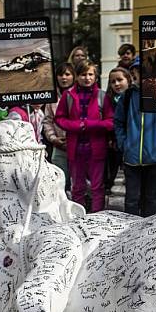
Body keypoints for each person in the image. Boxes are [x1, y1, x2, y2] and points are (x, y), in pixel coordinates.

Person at [115, 56, 156, 217]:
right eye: (139, 71)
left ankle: (150, 234)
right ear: (134, 73)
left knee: (153, 199)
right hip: (132, 158)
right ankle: (131, 233)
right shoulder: (127, 96)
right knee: (132, 200)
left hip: (155, 158)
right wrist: (124, 144)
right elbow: (119, 122)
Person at [54, 61, 114, 213]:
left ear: (95, 76)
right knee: (77, 187)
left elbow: (111, 121)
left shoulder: (102, 95)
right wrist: (76, 125)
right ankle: (78, 217)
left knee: (97, 187)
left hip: (96, 148)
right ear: (77, 76)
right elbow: (59, 118)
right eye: (83, 74)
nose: (87, 78)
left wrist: (91, 124)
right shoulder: (68, 95)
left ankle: (97, 217)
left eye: (90, 74)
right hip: (76, 148)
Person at [42, 63, 76, 194]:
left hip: (77, 144)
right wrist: (53, 138)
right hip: (58, 145)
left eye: (67, 74)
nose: (64, 78)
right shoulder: (52, 97)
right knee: (59, 180)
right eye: (60, 74)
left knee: (79, 180)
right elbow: (48, 120)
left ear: (73, 76)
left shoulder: (78, 94)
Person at [104, 66, 131, 196]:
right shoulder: (108, 99)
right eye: (113, 81)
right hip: (112, 142)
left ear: (128, 80)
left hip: (129, 141)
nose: (116, 84)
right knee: (111, 170)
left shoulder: (132, 98)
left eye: (120, 80)